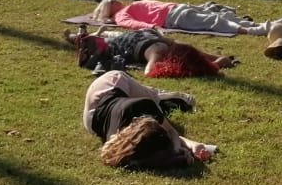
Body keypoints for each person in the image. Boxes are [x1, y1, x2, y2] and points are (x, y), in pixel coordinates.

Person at [82, 70, 214, 168]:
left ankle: (176, 98)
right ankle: (180, 99)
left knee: (155, 99)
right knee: (158, 100)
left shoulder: (144, 106)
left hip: (112, 83)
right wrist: (178, 152)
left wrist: (187, 146)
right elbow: (169, 133)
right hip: (96, 108)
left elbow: (171, 132)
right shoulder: (121, 142)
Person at [68, 23, 239, 78]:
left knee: (100, 39)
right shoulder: (160, 48)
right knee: (96, 41)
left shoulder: (158, 50)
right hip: (138, 37)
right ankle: (75, 37)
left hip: (142, 38)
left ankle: (219, 61)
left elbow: (149, 72)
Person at [87, 0, 281, 36]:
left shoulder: (127, 6)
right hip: (172, 18)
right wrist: (153, 28)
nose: (117, 0)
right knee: (213, 21)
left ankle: (262, 24)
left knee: (217, 12)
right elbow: (132, 23)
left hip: (177, 8)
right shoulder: (121, 14)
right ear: (110, 8)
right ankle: (254, 30)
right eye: (113, 1)